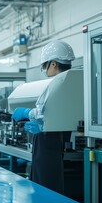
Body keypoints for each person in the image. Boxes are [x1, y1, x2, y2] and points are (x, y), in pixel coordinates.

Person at [11, 40, 75, 194]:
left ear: (53, 64)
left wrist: (26, 113)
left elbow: (43, 111)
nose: (44, 69)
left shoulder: (57, 83)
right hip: (60, 139)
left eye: (44, 65)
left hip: (49, 142)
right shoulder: (71, 79)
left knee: (44, 186)